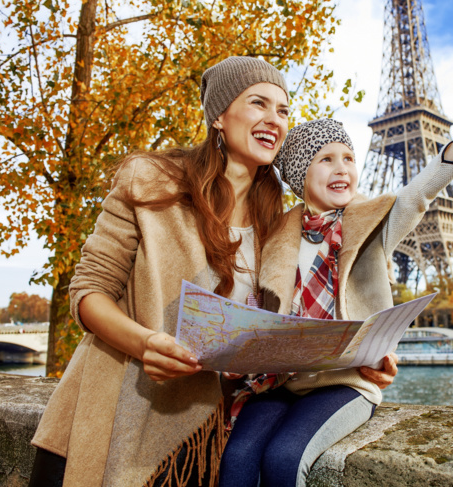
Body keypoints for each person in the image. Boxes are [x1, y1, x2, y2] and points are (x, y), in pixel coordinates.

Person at [28, 56, 398, 487]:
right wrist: (146, 343)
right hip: (108, 411)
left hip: (197, 436)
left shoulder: (276, 226)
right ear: (219, 116)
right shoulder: (148, 179)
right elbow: (89, 290)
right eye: (258, 103)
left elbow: (283, 333)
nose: (274, 120)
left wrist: (359, 358)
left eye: (283, 110)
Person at [218, 90, 453, 487]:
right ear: (299, 174)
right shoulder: (275, 235)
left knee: (284, 458)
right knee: (237, 459)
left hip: (345, 381)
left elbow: (417, 196)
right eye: (326, 159)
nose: (341, 168)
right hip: (281, 380)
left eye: (348, 158)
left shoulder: (371, 225)